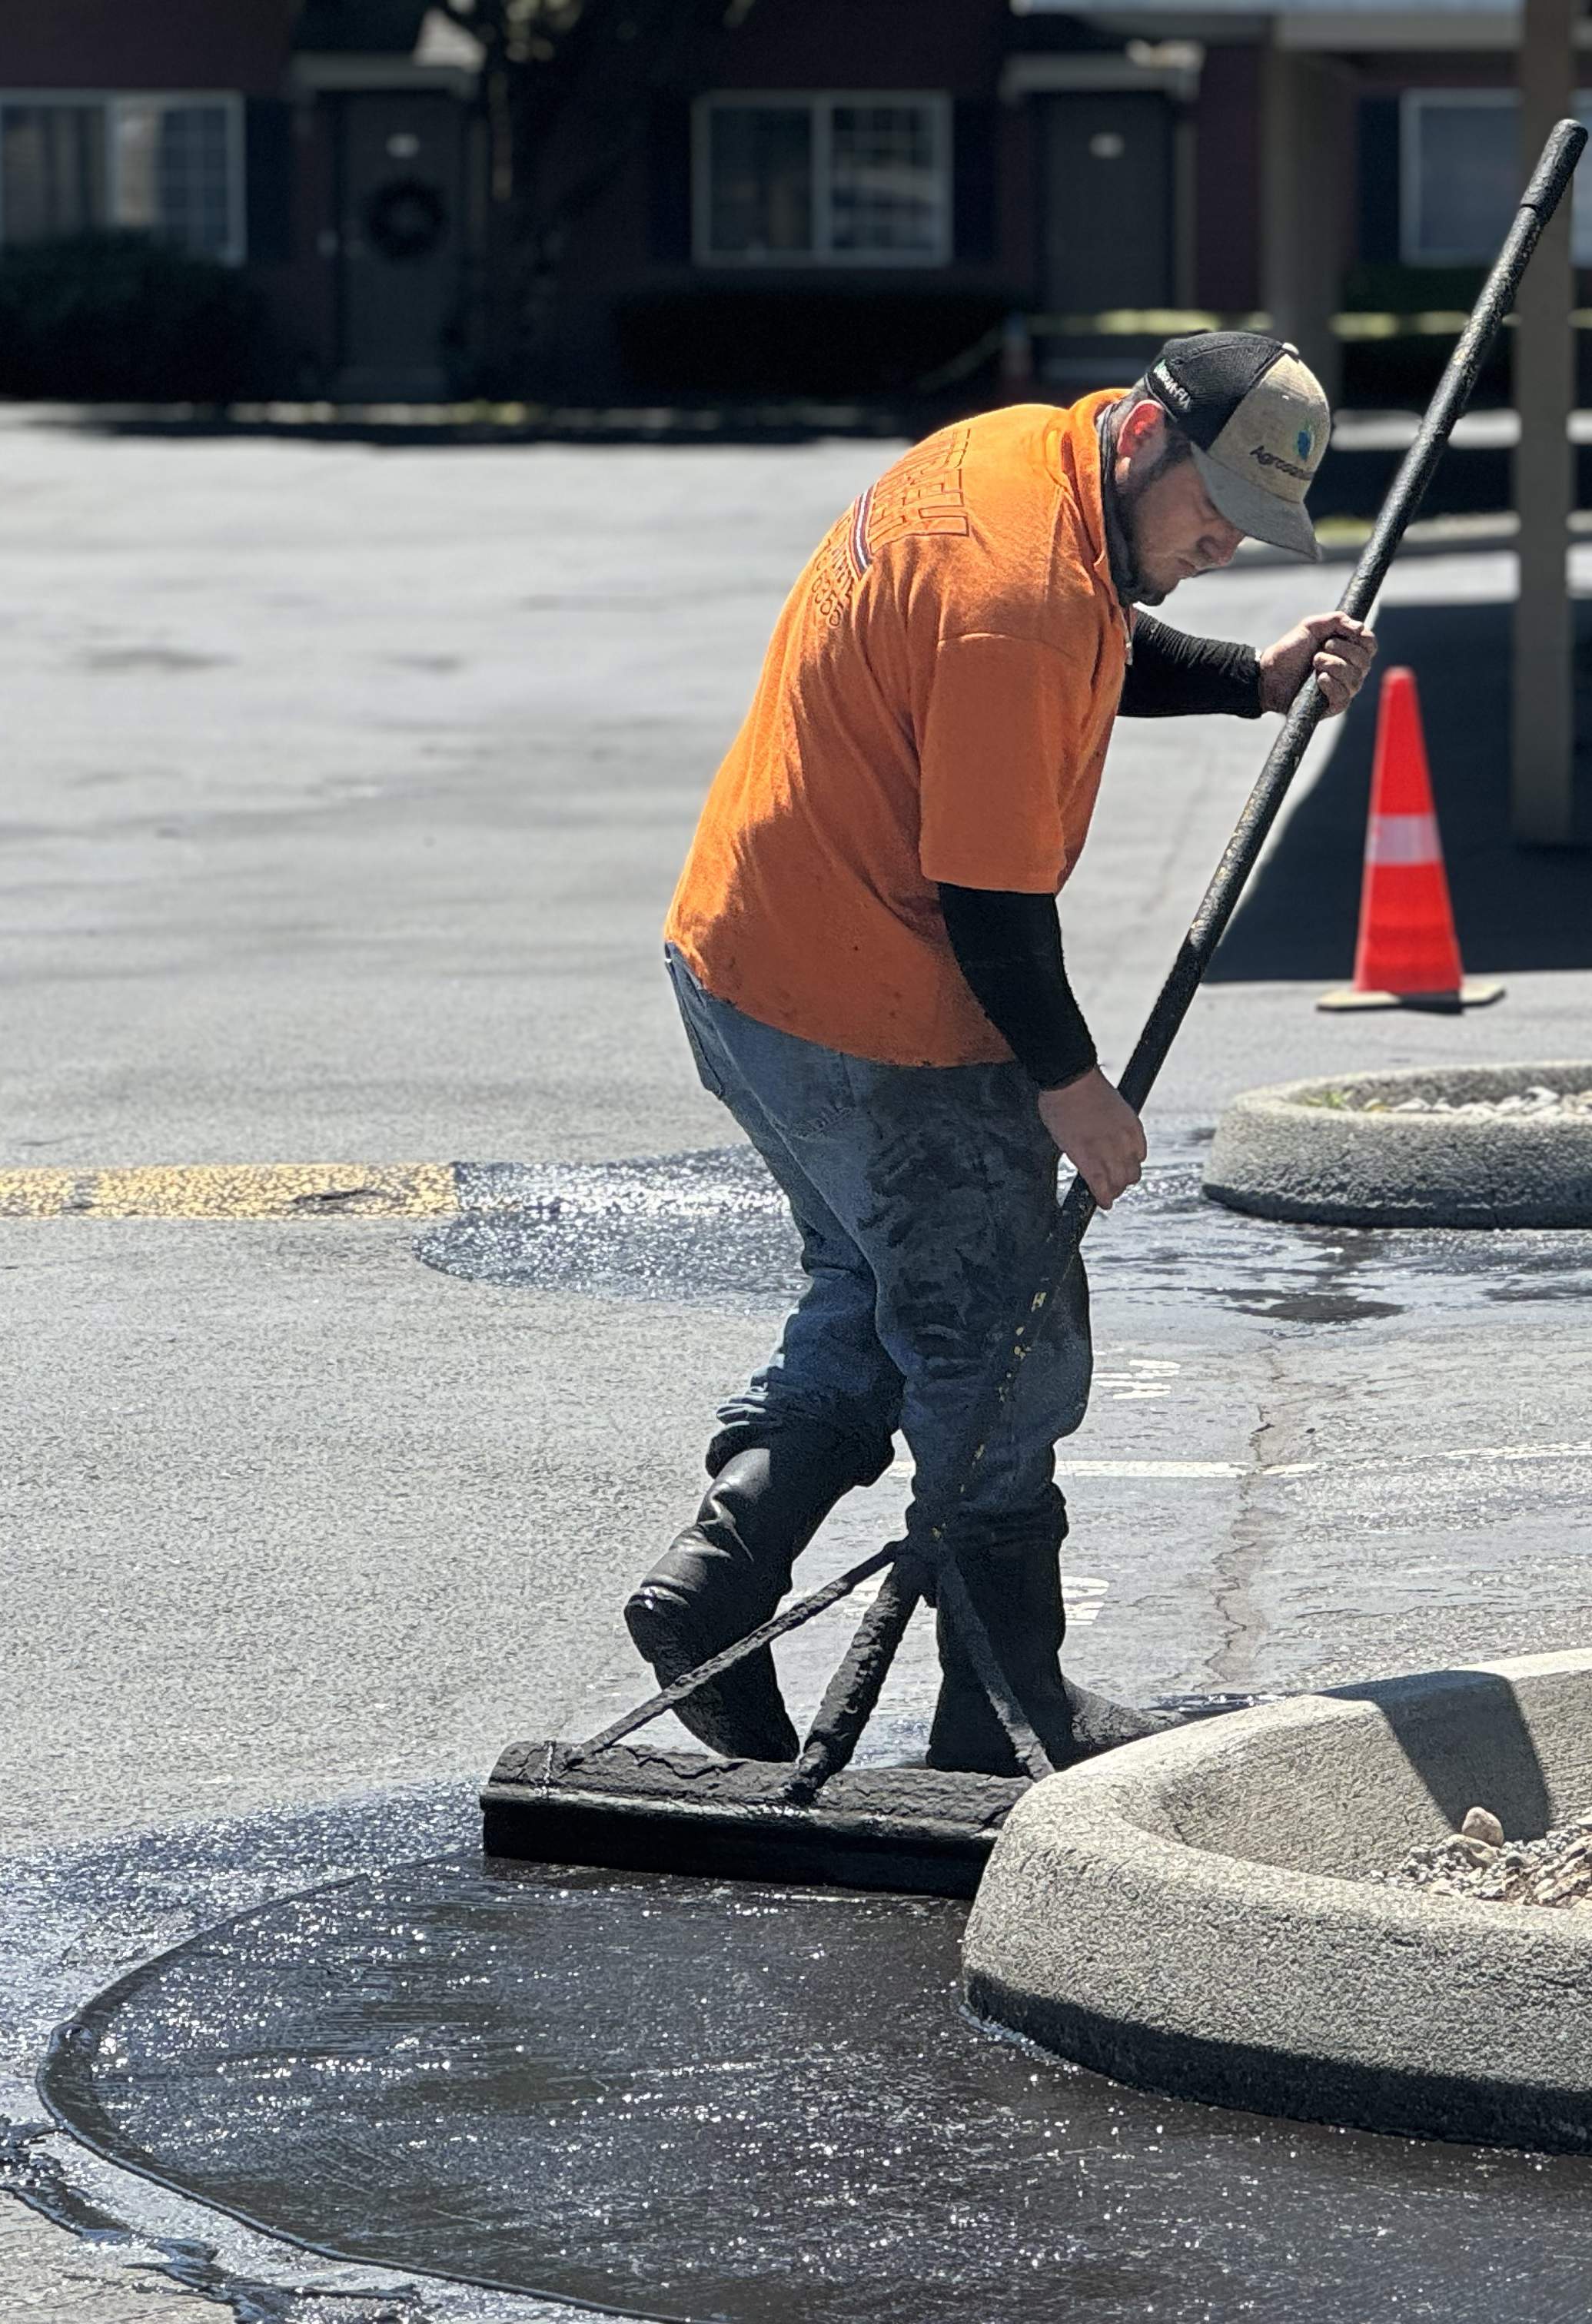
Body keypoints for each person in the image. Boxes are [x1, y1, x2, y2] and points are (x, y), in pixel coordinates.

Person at [633, 332, 1376, 1775]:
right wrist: (1072, 1086)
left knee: (874, 1283)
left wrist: (1250, 678)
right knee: (994, 1338)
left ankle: (712, 1587)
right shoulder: (1016, 595)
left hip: (744, 963)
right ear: (1152, 440)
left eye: (1252, 531)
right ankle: (999, 1708)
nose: (1225, 544)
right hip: (873, 1002)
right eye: (1215, 511)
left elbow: (1092, 638)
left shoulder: (1031, 457)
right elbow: (989, 891)